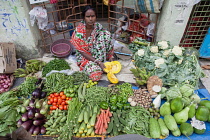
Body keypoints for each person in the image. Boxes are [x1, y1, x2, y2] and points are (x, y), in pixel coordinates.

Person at [70, 5, 114, 81]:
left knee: (106, 34)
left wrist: (110, 55)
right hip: (85, 56)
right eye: (88, 16)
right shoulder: (79, 31)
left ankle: (108, 58)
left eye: (93, 16)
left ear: (96, 17)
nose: (90, 19)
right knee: (95, 75)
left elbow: (105, 40)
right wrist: (98, 62)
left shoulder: (98, 27)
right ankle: (97, 65)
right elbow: (82, 52)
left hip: (97, 53)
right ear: (84, 18)